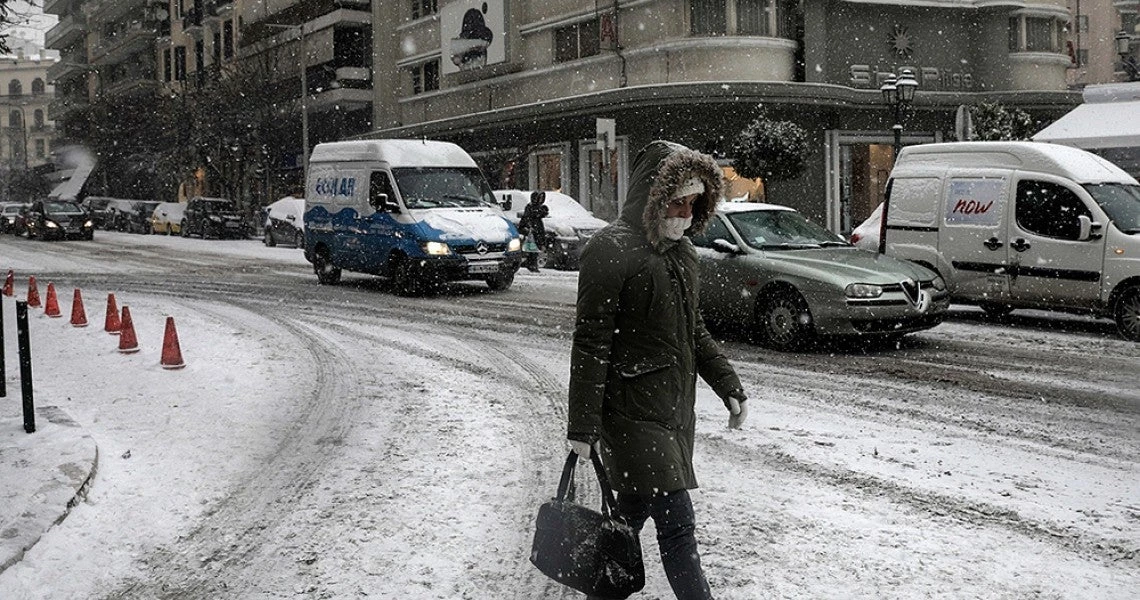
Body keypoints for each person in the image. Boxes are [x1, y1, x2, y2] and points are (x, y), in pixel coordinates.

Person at [567, 140, 748, 600]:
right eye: (676, 201)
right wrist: (582, 427)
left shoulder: (683, 254)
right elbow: (591, 346)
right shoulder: (610, 250)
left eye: (693, 204)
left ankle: (600, 593)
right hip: (629, 415)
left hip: (671, 413)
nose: (684, 213)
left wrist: (727, 383)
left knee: (627, 517)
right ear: (651, 196)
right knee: (677, 523)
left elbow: (695, 331)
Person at [518, 190, 549, 272]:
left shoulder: (539, 208)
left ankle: (532, 264)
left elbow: (543, 213)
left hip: (538, 229)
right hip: (533, 229)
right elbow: (528, 217)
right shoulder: (530, 207)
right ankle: (531, 264)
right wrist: (529, 227)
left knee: (536, 247)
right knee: (532, 248)